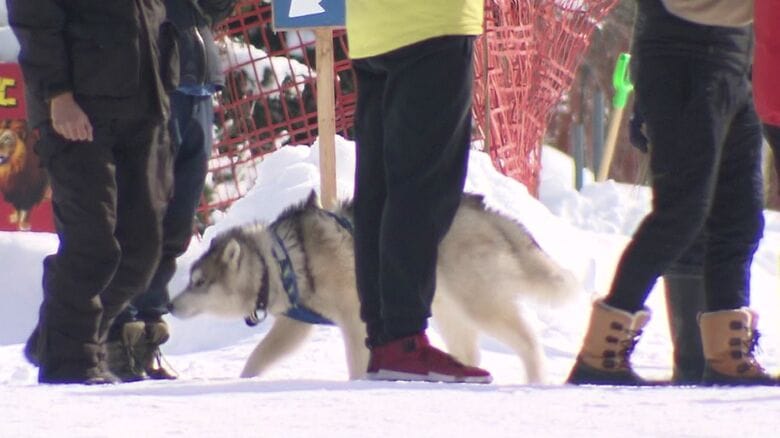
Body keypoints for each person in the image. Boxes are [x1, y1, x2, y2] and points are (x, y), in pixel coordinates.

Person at [568, 0, 777, 386]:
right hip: (681, 54)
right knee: (682, 212)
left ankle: (727, 357)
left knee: (741, 217)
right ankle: (601, 354)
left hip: (737, 57)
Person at [9, 0, 178, 384]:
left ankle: (58, 338)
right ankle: (70, 365)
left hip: (144, 104)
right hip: (75, 112)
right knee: (93, 244)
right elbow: (33, 16)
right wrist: (58, 94)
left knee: (142, 247)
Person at [345, 1, 492, 383]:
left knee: (378, 191)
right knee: (423, 189)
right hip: (433, 22)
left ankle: (386, 339)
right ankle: (403, 338)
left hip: (371, 31)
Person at [103, 0, 237, 383]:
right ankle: (118, 333)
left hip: (198, 82)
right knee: (143, 213)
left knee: (176, 224)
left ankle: (147, 331)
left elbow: (213, 10)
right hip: (155, 82)